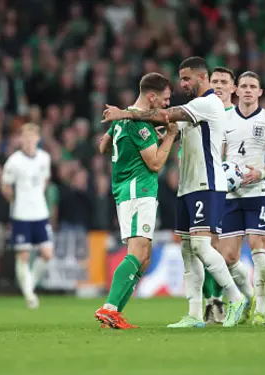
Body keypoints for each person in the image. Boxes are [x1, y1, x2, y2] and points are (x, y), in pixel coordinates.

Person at [103, 57, 248, 328]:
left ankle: (235, 297)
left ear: (201, 78)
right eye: (181, 79)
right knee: (187, 251)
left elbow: (165, 116)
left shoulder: (209, 103)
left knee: (202, 247)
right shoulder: (193, 107)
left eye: (186, 79)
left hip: (206, 183)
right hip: (187, 186)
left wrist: (125, 114)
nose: (182, 84)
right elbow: (169, 129)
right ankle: (194, 314)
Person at [94, 73, 177, 329]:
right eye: (164, 99)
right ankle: (109, 307)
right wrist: (170, 136)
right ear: (151, 96)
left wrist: (153, 139)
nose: (166, 104)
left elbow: (103, 146)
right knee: (137, 252)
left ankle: (114, 311)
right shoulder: (139, 125)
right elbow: (155, 163)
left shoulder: (124, 118)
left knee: (145, 257)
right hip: (137, 189)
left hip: (129, 189)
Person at [219, 71, 265, 325]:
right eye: (243, 86)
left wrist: (262, 173)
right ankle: (248, 297)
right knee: (228, 258)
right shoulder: (224, 119)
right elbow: (220, 155)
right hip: (230, 195)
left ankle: (261, 313)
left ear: (260, 92)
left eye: (252, 86)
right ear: (236, 91)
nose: (247, 90)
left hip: (258, 193)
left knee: (260, 254)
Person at [1, 123, 53, 309]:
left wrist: (35, 198)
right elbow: (6, 187)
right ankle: (29, 295)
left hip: (40, 213)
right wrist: (17, 202)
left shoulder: (44, 158)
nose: (30, 141)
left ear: (38, 139)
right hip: (21, 215)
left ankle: (29, 285)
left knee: (47, 254)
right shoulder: (14, 161)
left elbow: (45, 181)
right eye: (26, 138)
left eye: (33, 138)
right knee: (23, 255)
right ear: (21, 140)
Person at [201, 66, 237, 324]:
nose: (219, 85)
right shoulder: (203, 112)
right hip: (205, 186)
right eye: (215, 81)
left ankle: (232, 301)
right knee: (203, 248)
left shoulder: (238, 117)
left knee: (225, 253)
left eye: (224, 81)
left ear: (233, 87)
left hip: (236, 192)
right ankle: (212, 303)